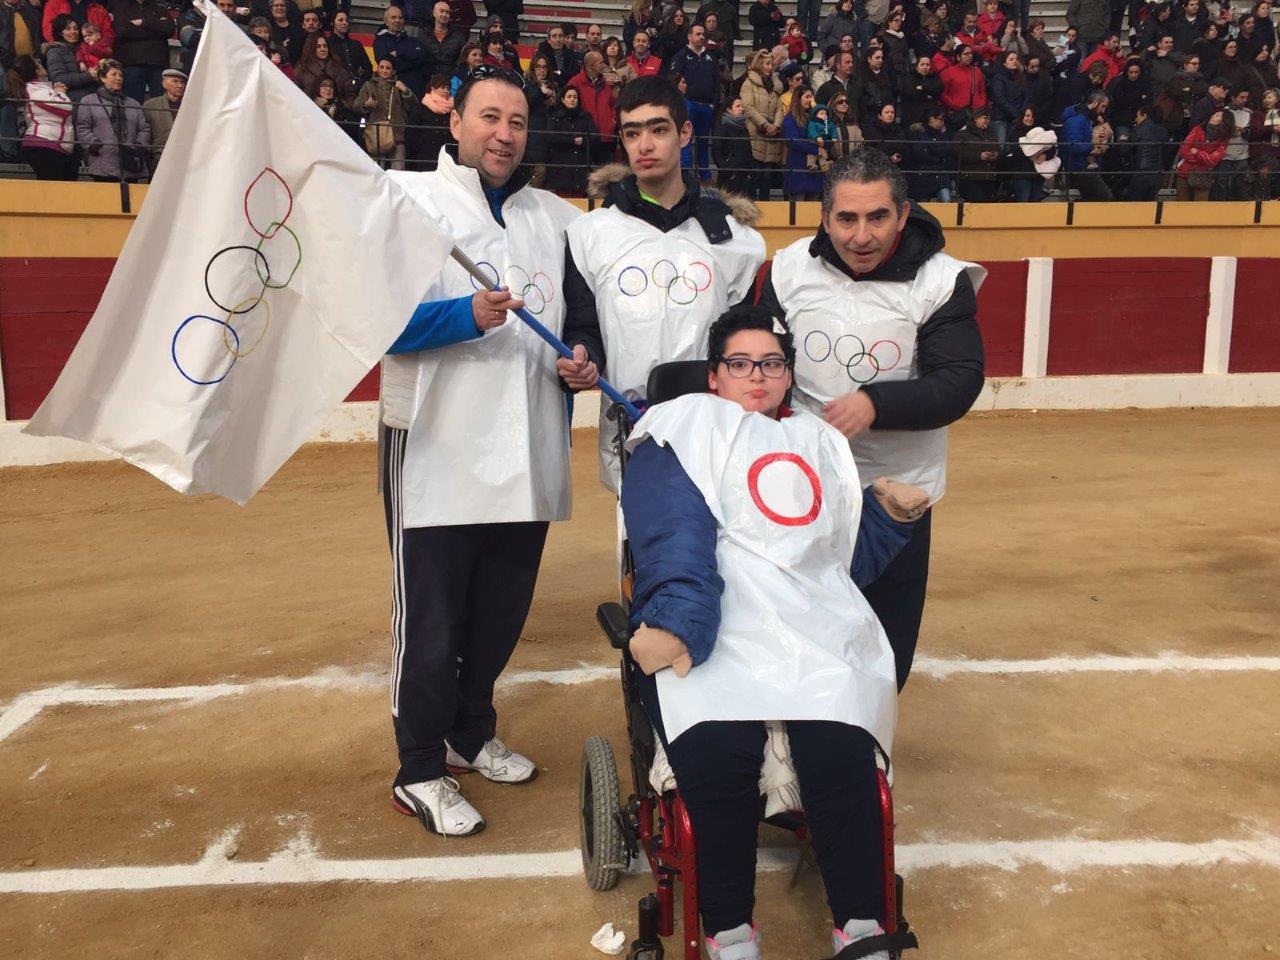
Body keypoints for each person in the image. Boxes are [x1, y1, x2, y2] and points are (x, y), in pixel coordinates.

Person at [620, 305, 921, 960]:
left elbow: (832, 564)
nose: (756, 375)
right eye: (740, 363)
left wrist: (885, 520)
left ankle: (862, 927)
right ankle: (730, 929)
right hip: (718, 625)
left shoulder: (816, 442)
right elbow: (673, 535)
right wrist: (679, 620)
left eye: (771, 363)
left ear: (787, 375)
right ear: (714, 375)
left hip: (810, 629)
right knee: (721, 752)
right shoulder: (681, 428)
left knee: (839, 747)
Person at [379, 69, 579, 838]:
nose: (504, 133)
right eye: (489, 116)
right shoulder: (407, 201)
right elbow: (376, 324)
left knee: (497, 614)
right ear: (455, 121)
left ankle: (470, 732)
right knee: (433, 624)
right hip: (437, 446)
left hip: (528, 448)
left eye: (518, 121)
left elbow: (577, 320)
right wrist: (463, 314)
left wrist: (581, 359)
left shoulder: (553, 218)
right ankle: (419, 768)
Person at [757, 149, 986, 689]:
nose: (861, 236)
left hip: (898, 495)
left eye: (877, 217)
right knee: (797, 631)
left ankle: (872, 737)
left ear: (903, 215)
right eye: (846, 219)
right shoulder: (789, 268)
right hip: (801, 485)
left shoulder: (940, 281)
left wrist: (874, 403)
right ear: (824, 217)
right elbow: (759, 355)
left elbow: (958, 381)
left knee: (884, 645)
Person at [559, 76, 765, 490]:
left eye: (658, 129)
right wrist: (584, 355)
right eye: (632, 133)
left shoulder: (738, 241)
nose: (645, 145)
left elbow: (745, 345)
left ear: (684, 133)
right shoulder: (588, 235)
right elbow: (584, 327)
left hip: (715, 431)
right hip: (630, 428)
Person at [75, 58, 151, 181]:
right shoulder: (88, 101)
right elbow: (83, 126)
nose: (118, 78)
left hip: (130, 163)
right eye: (114, 74)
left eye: (121, 75)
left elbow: (144, 128)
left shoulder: (134, 104)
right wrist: (93, 144)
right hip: (103, 162)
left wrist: (140, 145)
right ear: (103, 77)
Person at [668, 22, 721, 181]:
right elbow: (673, 78)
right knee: (685, 140)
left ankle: (705, 177)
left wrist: (713, 104)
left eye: (703, 34)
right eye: (698, 34)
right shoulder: (681, 55)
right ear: (689, 36)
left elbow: (717, 82)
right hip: (688, 103)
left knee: (703, 142)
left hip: (706, 105)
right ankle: (687, 176)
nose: (701, 37)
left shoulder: (710, 57)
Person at [14, 54, 79, 179]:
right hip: (44, 143)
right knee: (54, 187)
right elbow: (66, 108)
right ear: (37, 70)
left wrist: (56, 92)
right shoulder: (35, 90)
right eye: (38, 62)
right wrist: (60, 93)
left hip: (51, 144)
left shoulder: (40, 88)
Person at [740, 49, 784, 199]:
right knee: (754, 177)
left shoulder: (775, 86)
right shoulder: (748, 84)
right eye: (767, 64)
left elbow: (779, 108)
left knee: (767, 178)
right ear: (759, 65)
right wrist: (765, 125)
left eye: (771, 64)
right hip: (755, 136)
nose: (770, 67)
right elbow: (748, 108)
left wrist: (776, 125)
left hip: (771, 138)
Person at [356, 57, 415, 169]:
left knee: (398, 171)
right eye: (381, 67)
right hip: (376, 133)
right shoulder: (369, 85)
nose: (384, 70)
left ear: (394, 71)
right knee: (377, 171)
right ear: (377, 68)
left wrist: (405, 90)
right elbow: (356, 106)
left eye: (388, 68)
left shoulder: (399, 86)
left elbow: (413, 105)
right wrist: (365, 104)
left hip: (397, 133)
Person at [1061, 89, 1114, 199]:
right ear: (1095, 102)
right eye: (1103, 106)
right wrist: (1094, 146)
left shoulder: (1084, 119)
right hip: (1079, 169)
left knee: (1092, 199)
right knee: (1106, 197)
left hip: (1082, 167)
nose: (1103, 111)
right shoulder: (1077, 120)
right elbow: (1073, 145)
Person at [569, 50, 618, 166]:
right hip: (586, 138)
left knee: (606, 173)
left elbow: (613, 104)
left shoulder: (604, 83)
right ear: (591, 65)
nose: (604, 65)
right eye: (601, 62)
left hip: (605, 137)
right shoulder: (575, 83)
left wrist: (612, 120)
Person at [545, 84, 597, 195]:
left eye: (575, 97)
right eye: (569, 97)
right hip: (562, 168)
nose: (572, 99)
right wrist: (572, 141)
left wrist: (583, 141)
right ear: (563, 100)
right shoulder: (555, 117)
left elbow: (595, 137)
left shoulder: (586, 117)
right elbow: (551, 138)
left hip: (581, 167)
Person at [375, 5, 429, 98]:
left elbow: (422, 56)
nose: (397, 20)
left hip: (415, 91)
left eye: (400, 17)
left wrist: (398, 53)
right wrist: (411, 61)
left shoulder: (413, 40)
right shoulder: (380, 41)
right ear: (386, 22)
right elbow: (385, 63)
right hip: (392, 92)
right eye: (393, 17)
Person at [1175, 107, 1229, 199]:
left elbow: (1213, 160)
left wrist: (1197, 152)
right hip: (1185, 172)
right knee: (1182, 203)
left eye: (1217, 115)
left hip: (1204, 176)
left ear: (1224, 121)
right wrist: (1204, 159)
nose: (1213, 116)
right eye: (1214, 114)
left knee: (1201, 204)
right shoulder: (1197, 129)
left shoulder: (1223, 139)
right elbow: (1183, 150)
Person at [405, 72, 454, 170]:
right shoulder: (420, 108)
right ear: (433, 88)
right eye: (442, 87)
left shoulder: (453, 109)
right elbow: (411, 133)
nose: (446, 91)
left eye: (448, 88)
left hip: (445, 157)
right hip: (425, 156)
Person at [782, 86, 825, 198]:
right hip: (798, 168)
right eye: (807, 97)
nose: (810, 100)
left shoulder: (814, 118)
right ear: (798, 98)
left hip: (814, 172)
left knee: (814, 205)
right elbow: (794, 142)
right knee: (798, 205)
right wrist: (817, 149)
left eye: (811, 97)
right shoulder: (789, 119)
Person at [43, 15, 97, 103]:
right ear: (60, 32)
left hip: (93, 94)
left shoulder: (85, 48)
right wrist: (89, 75)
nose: (73, 32)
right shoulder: (55, 51)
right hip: (73, 99)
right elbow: (58, 79)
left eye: (76, 28)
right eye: (68, 29)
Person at [141, 67, 185, 174]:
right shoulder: (150, 105)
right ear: (164, 84)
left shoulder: (190, 105)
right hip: (158, 157)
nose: (180, 85)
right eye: (175, 81)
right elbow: (144, 132)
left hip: (184, 156)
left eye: (182, 82)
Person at [906, 106, 955, 200]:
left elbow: (947, 151)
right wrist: (937, 154)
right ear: (932, 119)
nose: (943, 123)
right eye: (940, 119)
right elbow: (919, 155)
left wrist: (932, 148)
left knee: (947, 201)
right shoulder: (917, 133)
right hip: (921, 177)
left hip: (940, 177)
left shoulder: (943, 134)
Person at [1123, 101, 1168, 199]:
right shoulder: (1163, 131)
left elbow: (1125, 149)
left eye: (1138, 116)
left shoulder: (1138, 130)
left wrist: (1123, 140)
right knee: (1149, 203)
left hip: (1142, 172)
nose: (1136, 119)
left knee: (1134, 202)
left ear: (1144, 115)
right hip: (1158, 173)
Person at [523, 53, 556, 185]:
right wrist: (541, 94)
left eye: (544, 67)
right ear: (533, 68)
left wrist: (553, 103)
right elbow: (527, 103)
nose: (542, 70)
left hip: (548, 136)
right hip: (533, 135)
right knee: (539, 172)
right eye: (538, 67)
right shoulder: (527, 85)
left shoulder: (553, 86)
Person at [954, 106, 1000, 199]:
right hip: (970, 178)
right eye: (985, 118)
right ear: (976, 118)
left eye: (989, 118)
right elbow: (958, 154)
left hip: (989, 177)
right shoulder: (962, 134)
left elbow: (999, 150)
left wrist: (996, 155)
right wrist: (979, 156)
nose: (988, 121)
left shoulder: (991, 134)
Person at [294, 33, 353, 103]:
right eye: (318, 46)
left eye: (325, 46)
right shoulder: (301, 69)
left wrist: (338, 104)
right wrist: (314, 101)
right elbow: (295, 94)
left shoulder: (340, 69)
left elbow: (350, 96)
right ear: (311, 48)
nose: (323, 49)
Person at [713, 94, 755, 193]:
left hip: (744, 176)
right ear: (729, 109)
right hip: (729, 177)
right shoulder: (722, 126)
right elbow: (716, 151)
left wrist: (749, 172)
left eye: (742, 106)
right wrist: (726, 172)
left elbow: (748, 150)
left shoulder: (744, 128)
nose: (741, 109)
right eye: (738, 106)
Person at [329, 10, 372, 98]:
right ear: (332, 23)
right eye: (340, 20)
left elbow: (368, 67)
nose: (344, 23)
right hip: (336, 90)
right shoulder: (327, 43)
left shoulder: (356, 44)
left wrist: (361, 83)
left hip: (357, 89)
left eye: (346, 20)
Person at [989, 50, 1028, 144]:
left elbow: (1025, 95)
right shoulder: (998, 77)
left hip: (1015, 118)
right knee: (1000, 145)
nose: (1015, 61)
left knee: (1011, 145)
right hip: (1001, 117)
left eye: (1016, 59)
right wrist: (1016, 113)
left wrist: (1021, 113)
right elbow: (1000, 98)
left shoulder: (1019, 77)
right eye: (1011, 59)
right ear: (1004, 63)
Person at [420, 1, 465, 78]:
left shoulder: (458, 36)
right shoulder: (423, 35)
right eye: (441, 11)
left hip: (451, 79)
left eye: (447, 12)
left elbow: (462, 61)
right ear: (434, 13)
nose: (444, 15)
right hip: (427, 79)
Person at [40, 0, 113, 46]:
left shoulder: (99, 9)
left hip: (93, 55)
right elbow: (48, 28)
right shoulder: (53, 4)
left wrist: (98, 49)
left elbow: (108, 33)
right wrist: (59, 47)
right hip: (64, 53)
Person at [900, 54, 943, 127]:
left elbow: (937, 91)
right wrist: (927, 96)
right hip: (913, 115)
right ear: (917, 66)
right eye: (922, 64)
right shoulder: (909, 78)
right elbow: (910, 94)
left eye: (927, 65)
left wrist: (923, 88)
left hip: (930, 115)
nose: (925, 67)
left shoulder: (935, 78)